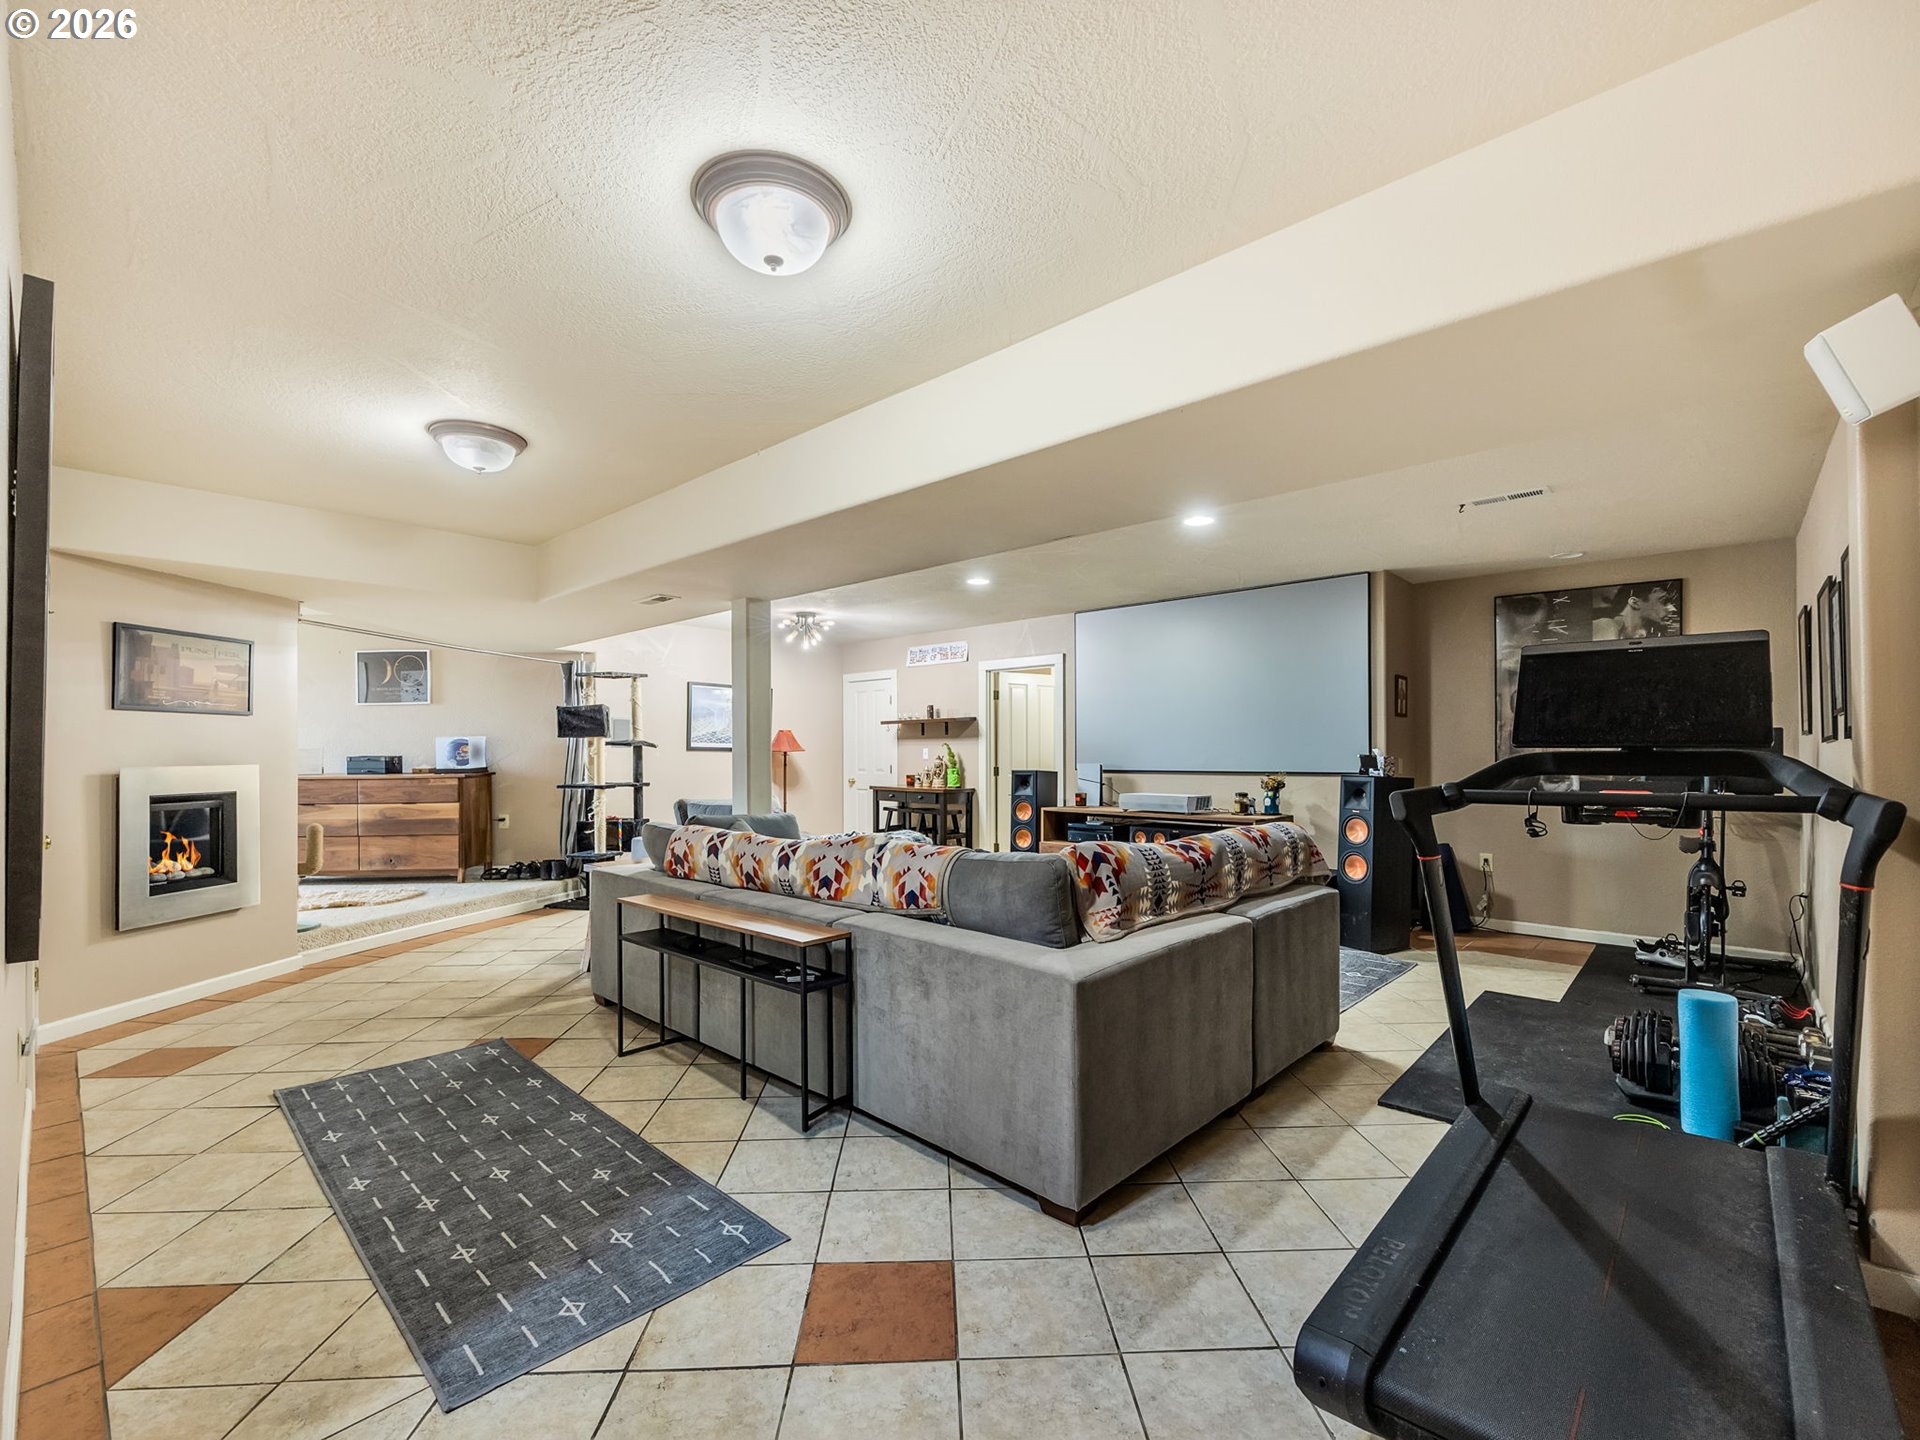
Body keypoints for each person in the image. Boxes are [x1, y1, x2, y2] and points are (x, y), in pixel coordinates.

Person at [1593, 582, 1680, 640]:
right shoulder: (1605, 626)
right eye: (1663, 601)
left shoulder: (1653, 635)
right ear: (1635, 603)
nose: (1672, 609)